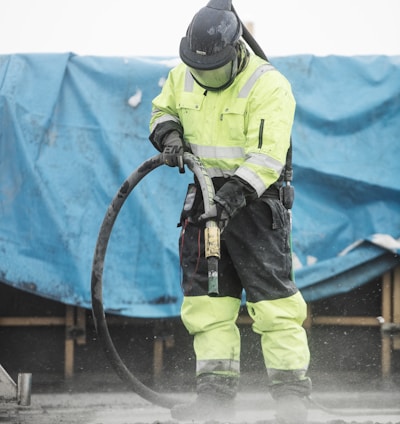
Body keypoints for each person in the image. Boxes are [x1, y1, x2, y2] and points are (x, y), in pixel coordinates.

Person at [148, 0, 311, 422]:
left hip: (255, 202)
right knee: (208, 303)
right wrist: (168, 135)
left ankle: (291, 396)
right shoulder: (182, 74)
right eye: (196, 67)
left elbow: (267, 157)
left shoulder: (269, 85)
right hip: (203, 200)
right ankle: (215, 397)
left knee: (274, 304)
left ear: (235, 51)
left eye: (211, 68)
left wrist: (234, 196)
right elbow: (162, 110)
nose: (201, 75)